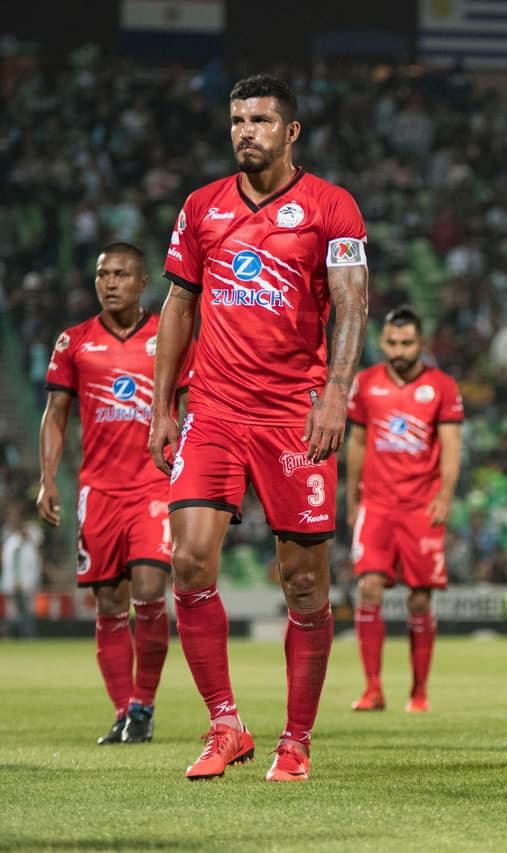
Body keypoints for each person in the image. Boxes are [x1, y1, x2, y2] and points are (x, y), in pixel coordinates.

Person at [148, 74, 369, 782]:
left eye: (262, 120)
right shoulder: (200, 207)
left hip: (292, 414)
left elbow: (352, 304)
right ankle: (226, 724)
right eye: (238, 119)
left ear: (292, 131)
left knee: (304, 581)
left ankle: (296, 739)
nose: (247, 131)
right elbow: (179, 307)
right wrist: (162, 404)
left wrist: (336, 394)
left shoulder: (332, 208)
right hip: (213, 407)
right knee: (187, 561)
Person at [39, 242, 174, 744]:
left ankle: (144, 704)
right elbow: (55, 416)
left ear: (143, 283)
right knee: (110, 603)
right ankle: (124, 712)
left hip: (154, 486)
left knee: (148, 591)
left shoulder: (169, 336)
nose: (109, 282)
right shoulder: (73, 342)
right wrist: (49, 479)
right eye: (102, 274)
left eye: (120, 274)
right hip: (98, 492)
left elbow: (190, 406)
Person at [347, 306, 462, 714]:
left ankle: (418, 692)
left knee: (419, 600)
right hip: (376, 505)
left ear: (421, 343)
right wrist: (352, 497)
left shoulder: (442, 387)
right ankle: (373, 688)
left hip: (420, 507)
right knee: (369, 588)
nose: (399, 350)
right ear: (382, 342)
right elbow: (357, 443)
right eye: (392, 342)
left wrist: (445, 495)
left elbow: (450, 446)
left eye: (407, 342)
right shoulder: (365, 383)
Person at [2, 501, 43, 639]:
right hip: (11, 581)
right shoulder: (9, 536)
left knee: (27, 611)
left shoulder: (31, 533)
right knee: (12, 612)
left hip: (27, 580)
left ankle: (28, 637)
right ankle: (12, 636)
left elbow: (36, 551)